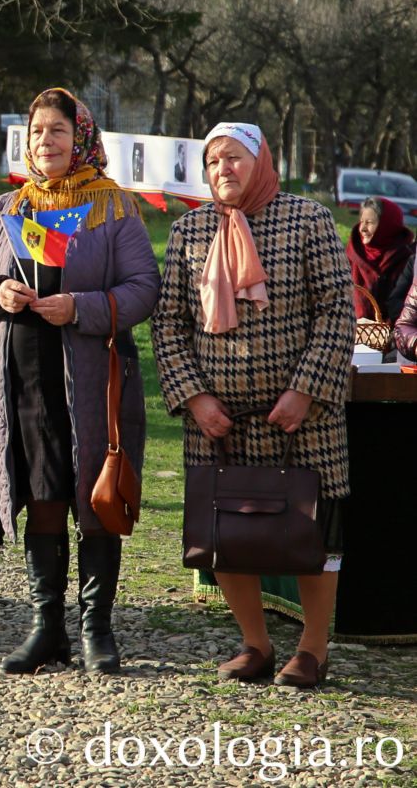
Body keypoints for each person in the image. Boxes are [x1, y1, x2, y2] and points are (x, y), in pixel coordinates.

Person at [0, 88, 161, 675]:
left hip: (94, 383)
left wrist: (82, 307)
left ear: (82, 139)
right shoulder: (3, 211)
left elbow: (142, 288)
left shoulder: (114, 207)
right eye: (36, 131)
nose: (45, 142)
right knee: (41, 493)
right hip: (23, 383)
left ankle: (97, 627)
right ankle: (47, 626)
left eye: (57, 131)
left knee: (96, 496)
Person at [152, 122, 354, 689]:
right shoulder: (191, 229)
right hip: (219, 422)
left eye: (235, 159)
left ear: (261, 161)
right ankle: (256, 644)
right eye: (214, 161)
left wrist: (305, 389)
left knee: (317, 534)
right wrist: (194, 397)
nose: (223, 170)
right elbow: (168, 323)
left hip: (301, 417)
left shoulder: (307, 220)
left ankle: (313, 649)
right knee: (228, 534)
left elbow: (337, 310)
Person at [346, 196, 414, 325]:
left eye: (369, 222)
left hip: (392, 337)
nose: (362, 228)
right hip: (353, 335)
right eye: (362, 222)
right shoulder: (349, 256)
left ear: (387, 225)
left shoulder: (407, 260)